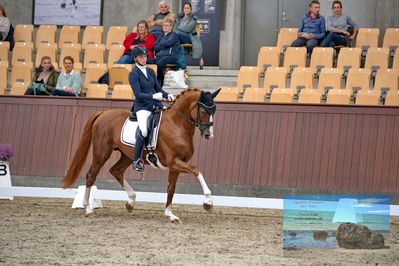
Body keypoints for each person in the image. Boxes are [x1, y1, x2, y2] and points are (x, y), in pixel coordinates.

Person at [128, 45, 174, 171]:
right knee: (143, 130)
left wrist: (167, 95)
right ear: (135, 58)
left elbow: (158, 89)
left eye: (145, 56)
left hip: (156, 105)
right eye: (141, 57)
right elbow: (138, 94)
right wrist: (153, 95)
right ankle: (136, 160)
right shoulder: (133, 74)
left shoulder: (150, 71)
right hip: (142, 107)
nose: (144, 59)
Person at [147, 19, 180, 87]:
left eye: (167, 25)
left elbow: (169, 42)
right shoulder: (160, 36)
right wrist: (163, 46)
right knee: (146, 61)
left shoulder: (174, 35)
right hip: (160, 56)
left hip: (171, 56)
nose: (165, 27)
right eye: (163, 25)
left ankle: (160, 79)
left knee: (159, 63)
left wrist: (161, 45)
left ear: (171, 27)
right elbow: (155, 47)